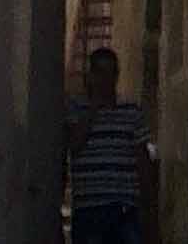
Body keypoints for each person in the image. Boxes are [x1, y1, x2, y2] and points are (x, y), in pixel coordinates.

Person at [65, 44, 156, 244]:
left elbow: (142, 160)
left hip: (124, 209)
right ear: (91, 76)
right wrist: (94, 108)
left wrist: (149, 208)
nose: (105, 79)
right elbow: (74, 144)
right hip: (89, 210)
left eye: (111, 73)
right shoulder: (75, 109)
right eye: (100, 72)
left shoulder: (131, 111)